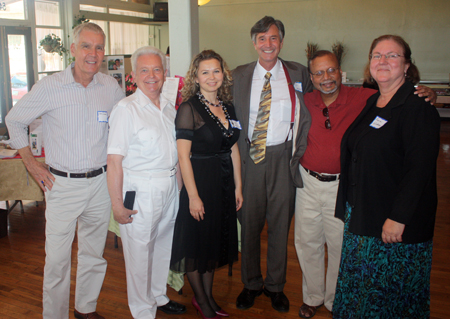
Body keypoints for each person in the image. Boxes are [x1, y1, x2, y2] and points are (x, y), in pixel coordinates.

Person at [293, 50, 437, 318]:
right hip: (307, 184)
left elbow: (399, 95)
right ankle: (312, 296)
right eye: (319, 73)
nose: (326, 77)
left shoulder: (365, 98)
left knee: (340, 244)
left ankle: (336, 299)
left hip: (343, 186)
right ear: (311, 78)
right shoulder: (303, 100)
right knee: (307, 242)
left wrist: (424, 91)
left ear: (340, 72)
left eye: (331, 70)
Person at [5, 23, 124, 319]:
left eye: (98, 47)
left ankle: (86, 308)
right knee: (57, 261)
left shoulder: (110, 87)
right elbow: (14, 120)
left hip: (99, 184)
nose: (92, 54)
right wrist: (32, 164)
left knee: (93, 254)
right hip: (62, 185)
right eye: (86, 46)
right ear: (72, 49)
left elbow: (124, 128)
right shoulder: (50, 86)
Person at [332, 35, 440, 318]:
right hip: (364, 214)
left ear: (406, 65)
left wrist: (398, 218)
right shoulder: (374, 101)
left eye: (392, 56)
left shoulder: (418, 106)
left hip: (393, 225)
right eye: (377, 55)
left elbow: (420, 170)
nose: (383, 61)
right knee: (362, 291)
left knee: (390, 295)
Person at [232, 16, 313, 313]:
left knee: (281, 224)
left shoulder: (298, 73)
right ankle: (251, 283)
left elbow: (326, 98)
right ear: (254, 43)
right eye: (262, 38)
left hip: (284, 158)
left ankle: (276, 286)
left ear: (281, 42)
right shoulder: (238, 75)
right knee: (249, 224)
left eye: (274, 38)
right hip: (250, 158)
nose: (268, 44)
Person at [107, 46, 186, 319]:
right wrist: (117, 205)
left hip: (169, 187)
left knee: (163, 246)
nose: (151, 76)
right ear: (133, 76)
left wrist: (180, 189)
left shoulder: (168, 108)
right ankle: (142, 311)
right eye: (144, 70)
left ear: (165, 74)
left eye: (156, 70)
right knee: (139, 254)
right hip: (140, 190)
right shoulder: (126, 109)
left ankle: (158, 296)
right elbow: (114, 161)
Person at [170, 50, 243, 319]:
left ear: (223, 75)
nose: (212, 77)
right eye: (205, 72)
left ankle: (209, 299)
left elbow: (233, 149)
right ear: (196, 77)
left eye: (216, 71)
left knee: (213, 243)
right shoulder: (188, 108)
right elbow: (182, 156)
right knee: (197, 244)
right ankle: (201, 301)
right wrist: (193, 196)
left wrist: (238, 187)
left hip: (223, 184)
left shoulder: (228, 107)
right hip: (200, 182)